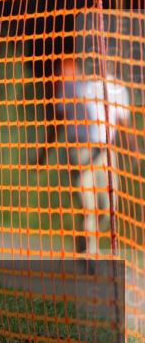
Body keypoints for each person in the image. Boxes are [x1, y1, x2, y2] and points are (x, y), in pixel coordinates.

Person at [33, 56, 137, 256]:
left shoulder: (116, 89)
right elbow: (57, 123)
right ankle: (89, 257)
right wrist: (44, 151)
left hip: (105, 153)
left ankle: (88, 246)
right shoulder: (73, 87)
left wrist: (133, 149)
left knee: (108, 208)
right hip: (79, 150)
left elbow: (124, 123)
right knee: (86, 206)